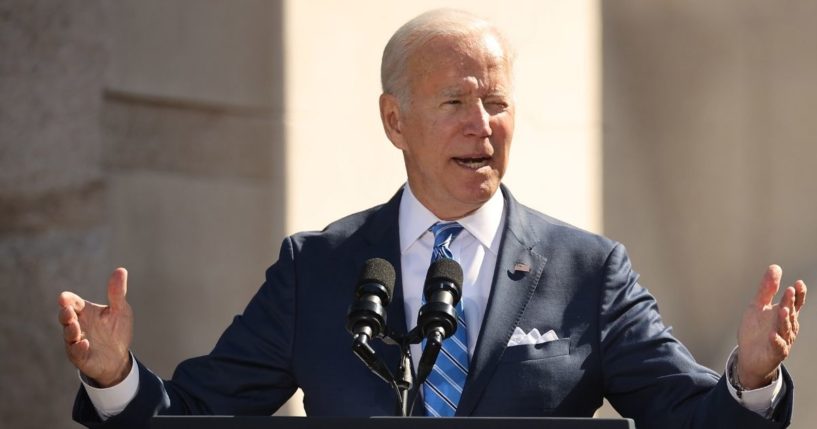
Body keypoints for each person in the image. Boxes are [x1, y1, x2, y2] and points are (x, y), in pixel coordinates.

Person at [57, 9, 807, 428]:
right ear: (394, 120)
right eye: (453, 103)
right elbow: (192, 415)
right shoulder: (316, 267)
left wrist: (750, 375)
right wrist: (115, 375)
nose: (481, 125)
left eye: (498, 103)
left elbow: (688, 415)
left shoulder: (588, 270)